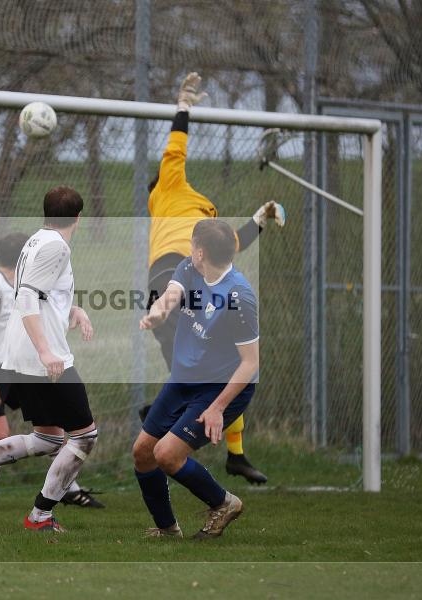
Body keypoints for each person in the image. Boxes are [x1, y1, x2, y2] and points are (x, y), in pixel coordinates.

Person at [143, 71, 285, 485]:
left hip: (208, 276)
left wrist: (260, 219)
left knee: (222, 360)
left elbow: (230, 246)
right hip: (174, 269)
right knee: (190, 359)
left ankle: (234, 453)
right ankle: (168, 414)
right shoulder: (169, 189)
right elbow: (175, 151)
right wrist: (183, 106)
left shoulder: (204, 214)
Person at [0, 186, 98, 533]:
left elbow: (44, 298)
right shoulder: (57, 246)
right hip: (43, 357)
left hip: (22, 354)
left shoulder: (36, 240)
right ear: (78, 218)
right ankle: (40, 515)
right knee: (84, 436)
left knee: (49, 438)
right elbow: (26, 297)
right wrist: (45, 351)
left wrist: (75, 311)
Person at [0, 232, 104, 510]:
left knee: (52, 429)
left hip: (14, 366)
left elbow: (46, 307)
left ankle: (68, 489)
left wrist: (76, 310)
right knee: (1, 432)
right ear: (24, 255)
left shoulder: (28, 282)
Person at [134, 219, 259, 539]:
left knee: (167, 454)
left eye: (192, 246)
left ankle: (224, 503)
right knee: (144, 452)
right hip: (183, 379)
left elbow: (250, 364)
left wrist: (218, 408)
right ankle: (168, 529)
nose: (189, 251)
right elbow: (172, 294)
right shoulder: (190, 268)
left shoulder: (239, 297)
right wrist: (159, 311)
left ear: (201, 252)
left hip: (218, 389)